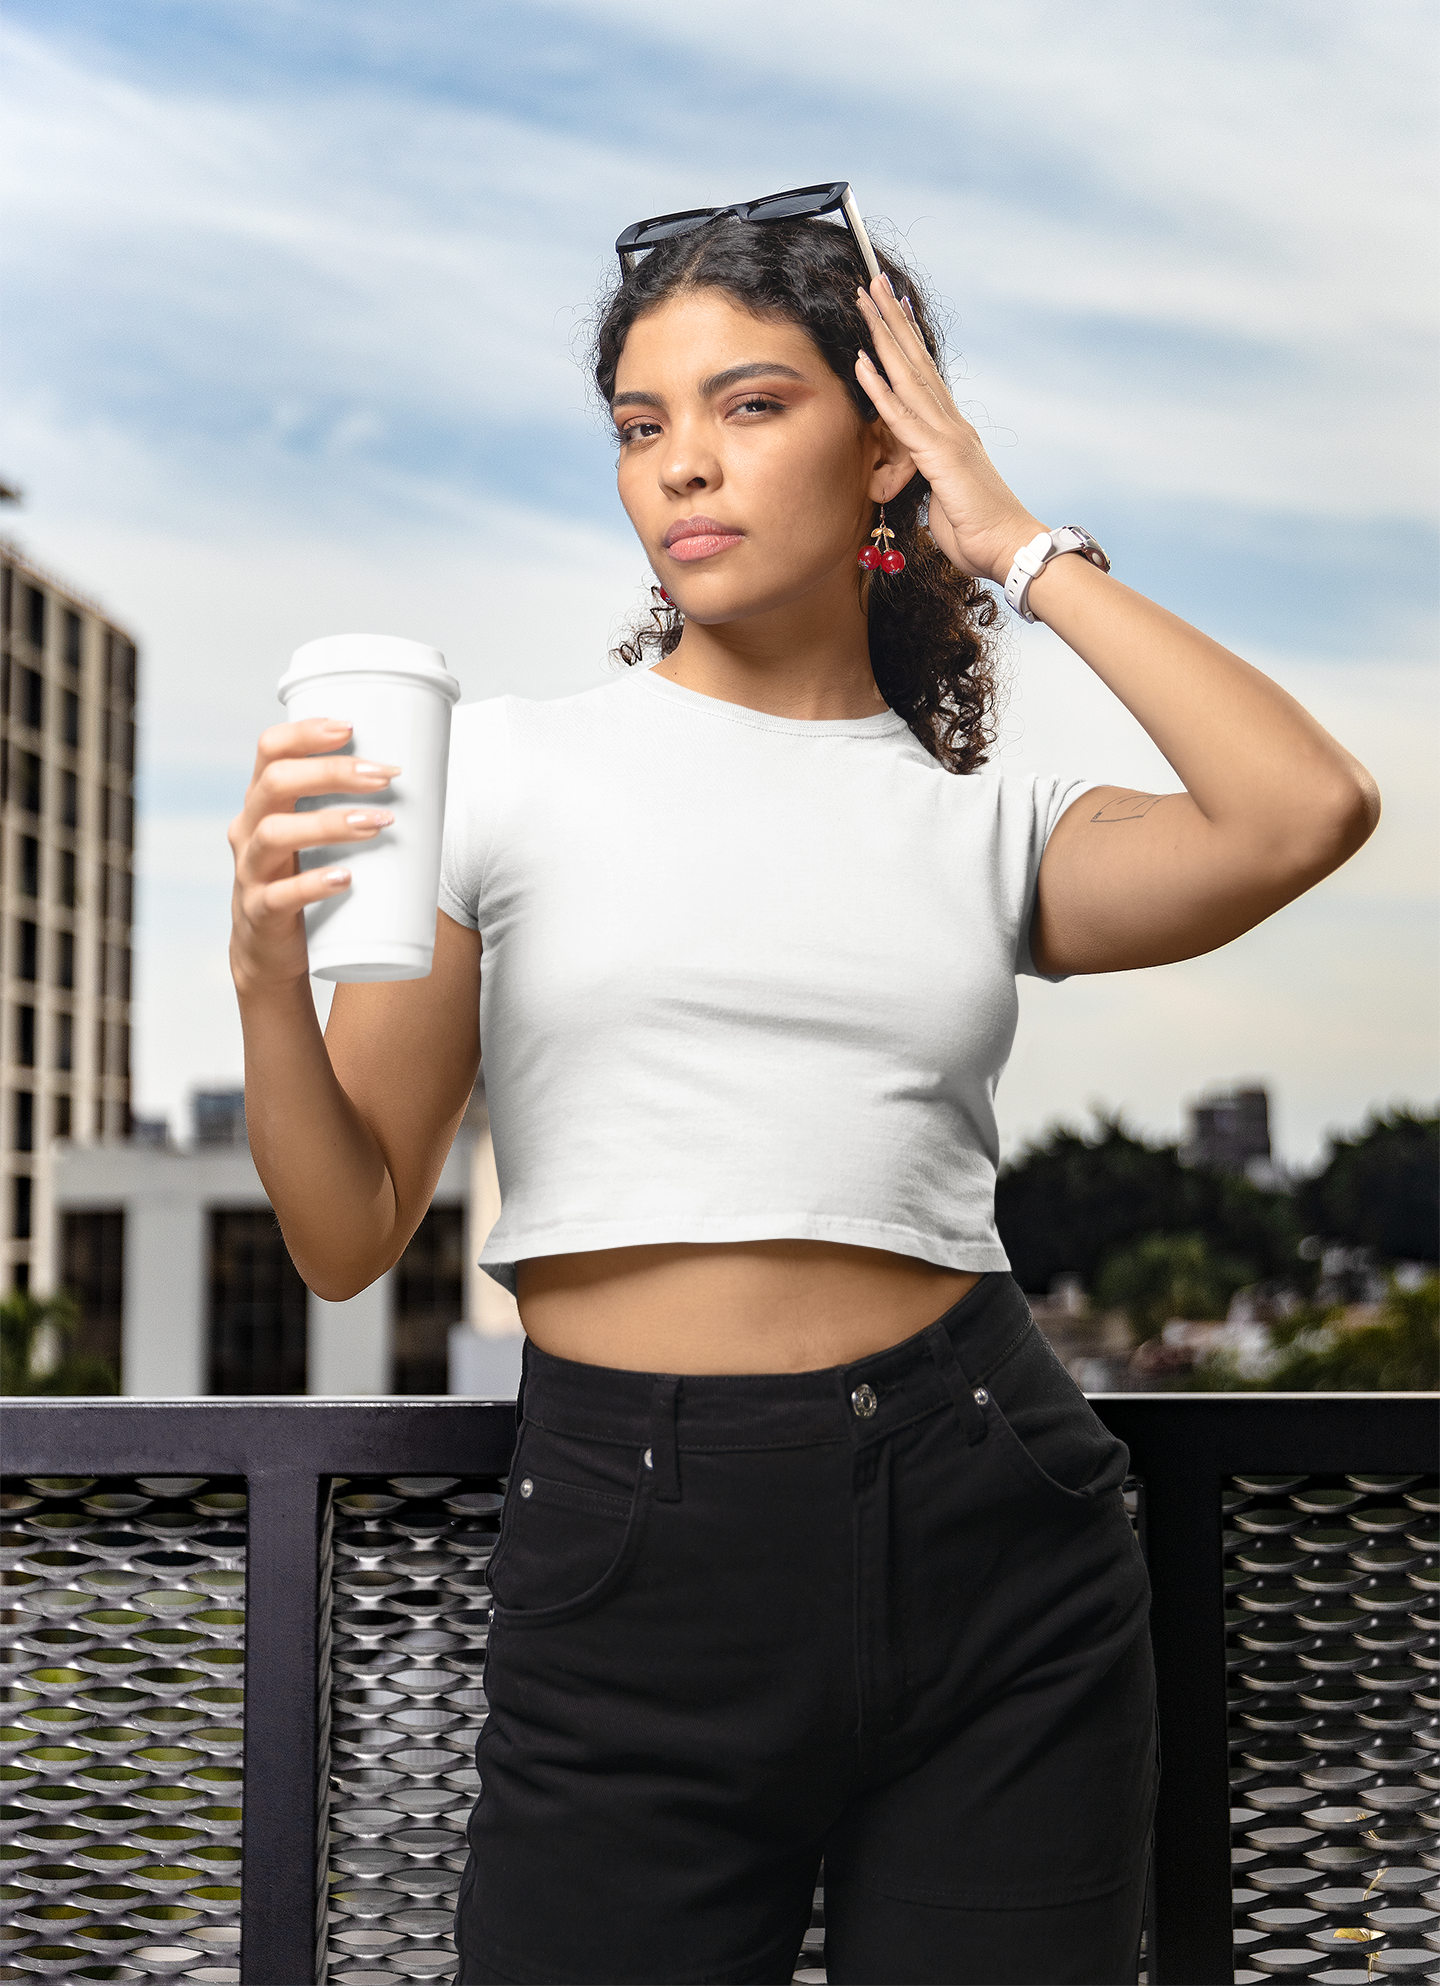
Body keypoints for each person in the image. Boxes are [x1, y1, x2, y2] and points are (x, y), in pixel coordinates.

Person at [228, 186, 1379, 1986]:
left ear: (880, 450)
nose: (683, 462)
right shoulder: (494, 773)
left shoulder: (975, 825)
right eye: (641, 424)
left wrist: (1010, 534)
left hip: (996, 1537)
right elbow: (346, 1233)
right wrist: (264, 993)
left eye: (751, 405)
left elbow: (1305, 810)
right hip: (626, 1553)